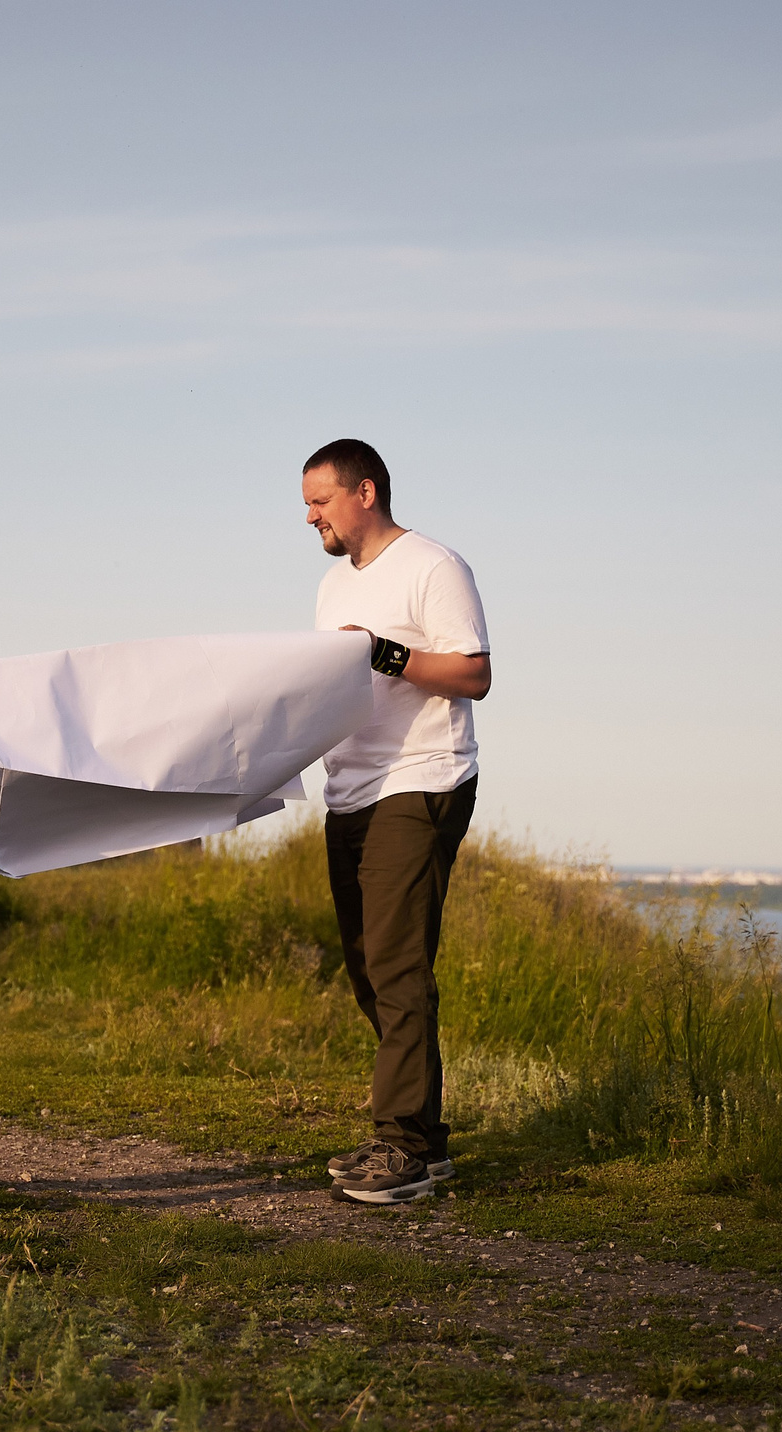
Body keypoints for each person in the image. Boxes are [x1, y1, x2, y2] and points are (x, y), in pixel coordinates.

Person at [301, 438, 492, 1207]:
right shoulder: (330, 586)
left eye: (319, 500)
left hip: (420, 779)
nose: (309, 516)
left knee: (397, 964)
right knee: (366, 968)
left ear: (365, 492)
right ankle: (426, 1142)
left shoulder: (433, 567)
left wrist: (385, 653)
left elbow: (474, 673)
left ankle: (404, 1144)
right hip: (349, 790)